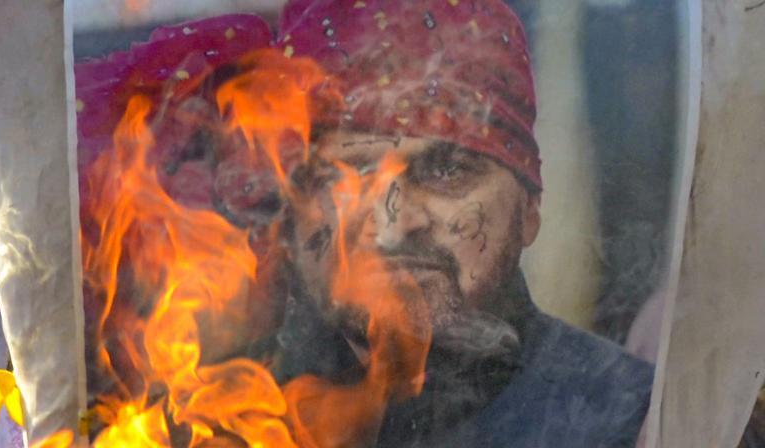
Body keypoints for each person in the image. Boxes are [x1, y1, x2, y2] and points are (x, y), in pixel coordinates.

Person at [262, 0, 654, 446]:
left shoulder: (642, 421)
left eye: (446, 171)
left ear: (529, 208)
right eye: (350, 178)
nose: (395, 224)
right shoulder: (228, 412)